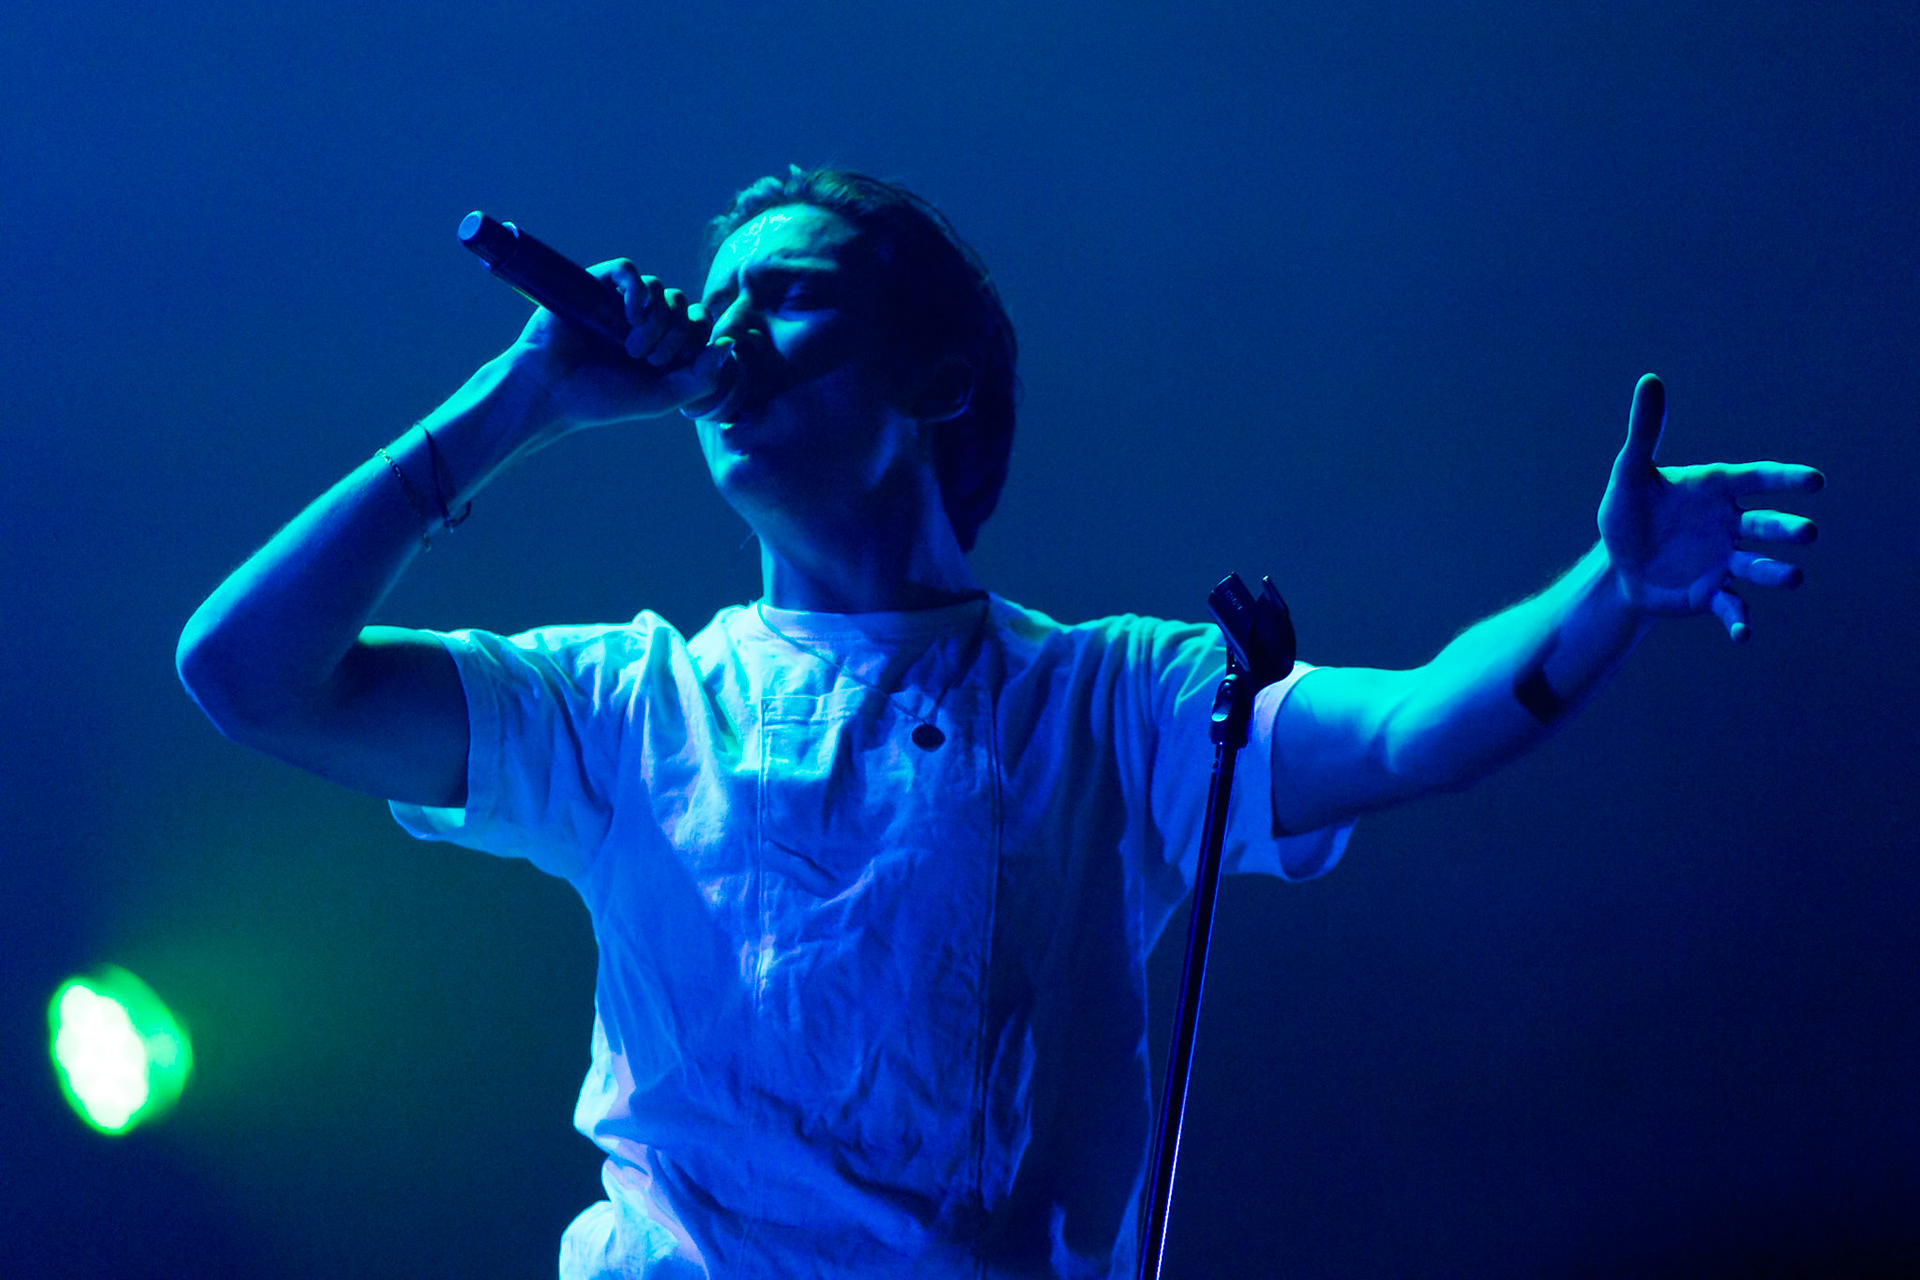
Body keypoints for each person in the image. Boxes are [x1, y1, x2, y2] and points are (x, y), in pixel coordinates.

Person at [176, 168, 1823, 1278]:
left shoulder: (1113, 698)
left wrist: (1605, 592)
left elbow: (1411, 734)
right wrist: (521, 400)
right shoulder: (626, 701)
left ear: (940, 378)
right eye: (720, 295)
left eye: (795, 295)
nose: (731, 331)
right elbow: (247, 674)